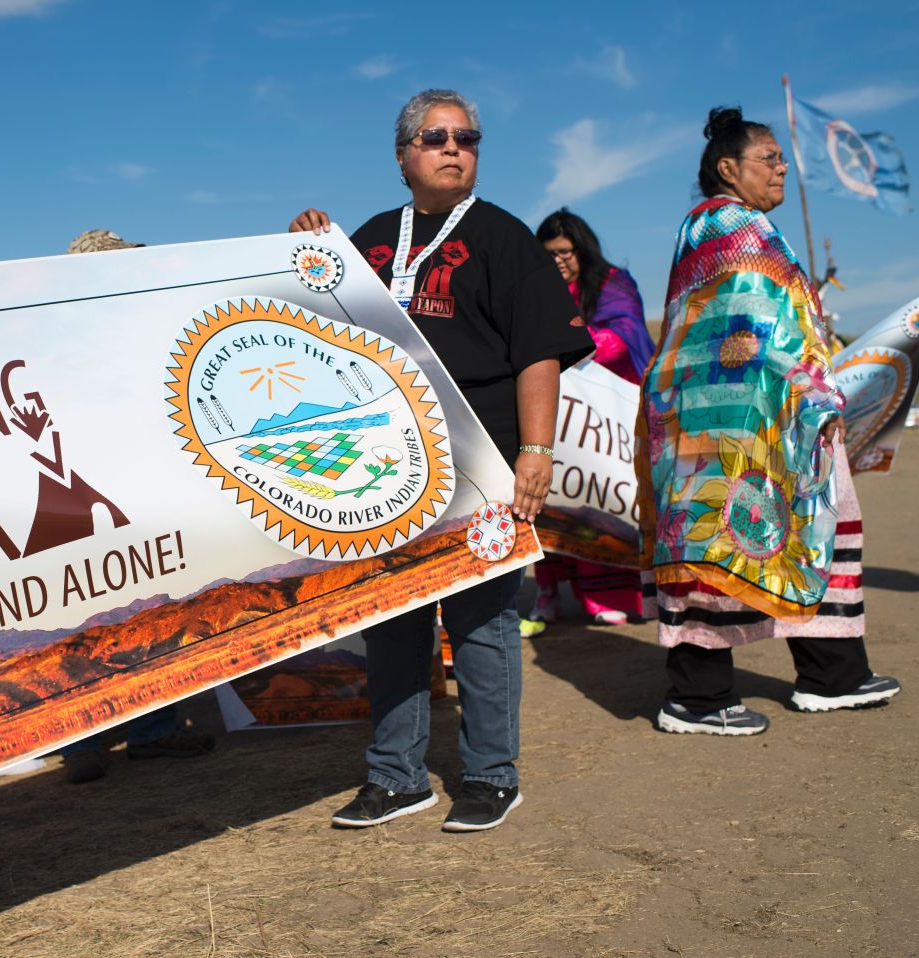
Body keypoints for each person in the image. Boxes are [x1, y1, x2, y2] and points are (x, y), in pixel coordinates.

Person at [289, 89, 593, 831]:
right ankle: (396, 776)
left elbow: (539, 353)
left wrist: (536, 451)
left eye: (467, 137)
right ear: (403, 157)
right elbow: (307, 327)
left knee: (483, 624)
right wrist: (307, 247)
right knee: (392, 622)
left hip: (483, 462)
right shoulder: (366, 240)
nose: (454, 147)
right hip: (385, 469)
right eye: (435, 137)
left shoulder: (505, 237)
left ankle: (491, 774)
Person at [639, 106, 901, 736]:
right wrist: (817, 393)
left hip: (743, 414)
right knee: (727, 536)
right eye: (769, 158)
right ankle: (697, 698)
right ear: (728, 168)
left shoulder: (714, 228)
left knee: (803, 524)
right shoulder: (735, 226)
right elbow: (762, 330)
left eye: (782, 157)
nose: (782, 167)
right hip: (741, 418)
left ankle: (832, 673)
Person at [59, 228, 217, 783]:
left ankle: (145, 728)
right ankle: (89, 737)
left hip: (138, 489)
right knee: (94, 616)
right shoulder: (61, 343)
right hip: (85, 496)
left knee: (150, 607)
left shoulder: (136, 332)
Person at [522, 209, 656, 635]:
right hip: (554, 413)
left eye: (565, 252)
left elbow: (627, 332)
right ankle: (547, 592)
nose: (559, 260)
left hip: (603, 412)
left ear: (582, 250)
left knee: (602, 493)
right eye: (550, 254)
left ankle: (608, 595)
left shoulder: (612, 283)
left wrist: (571, 349)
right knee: (552, 497)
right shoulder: (537, 291)